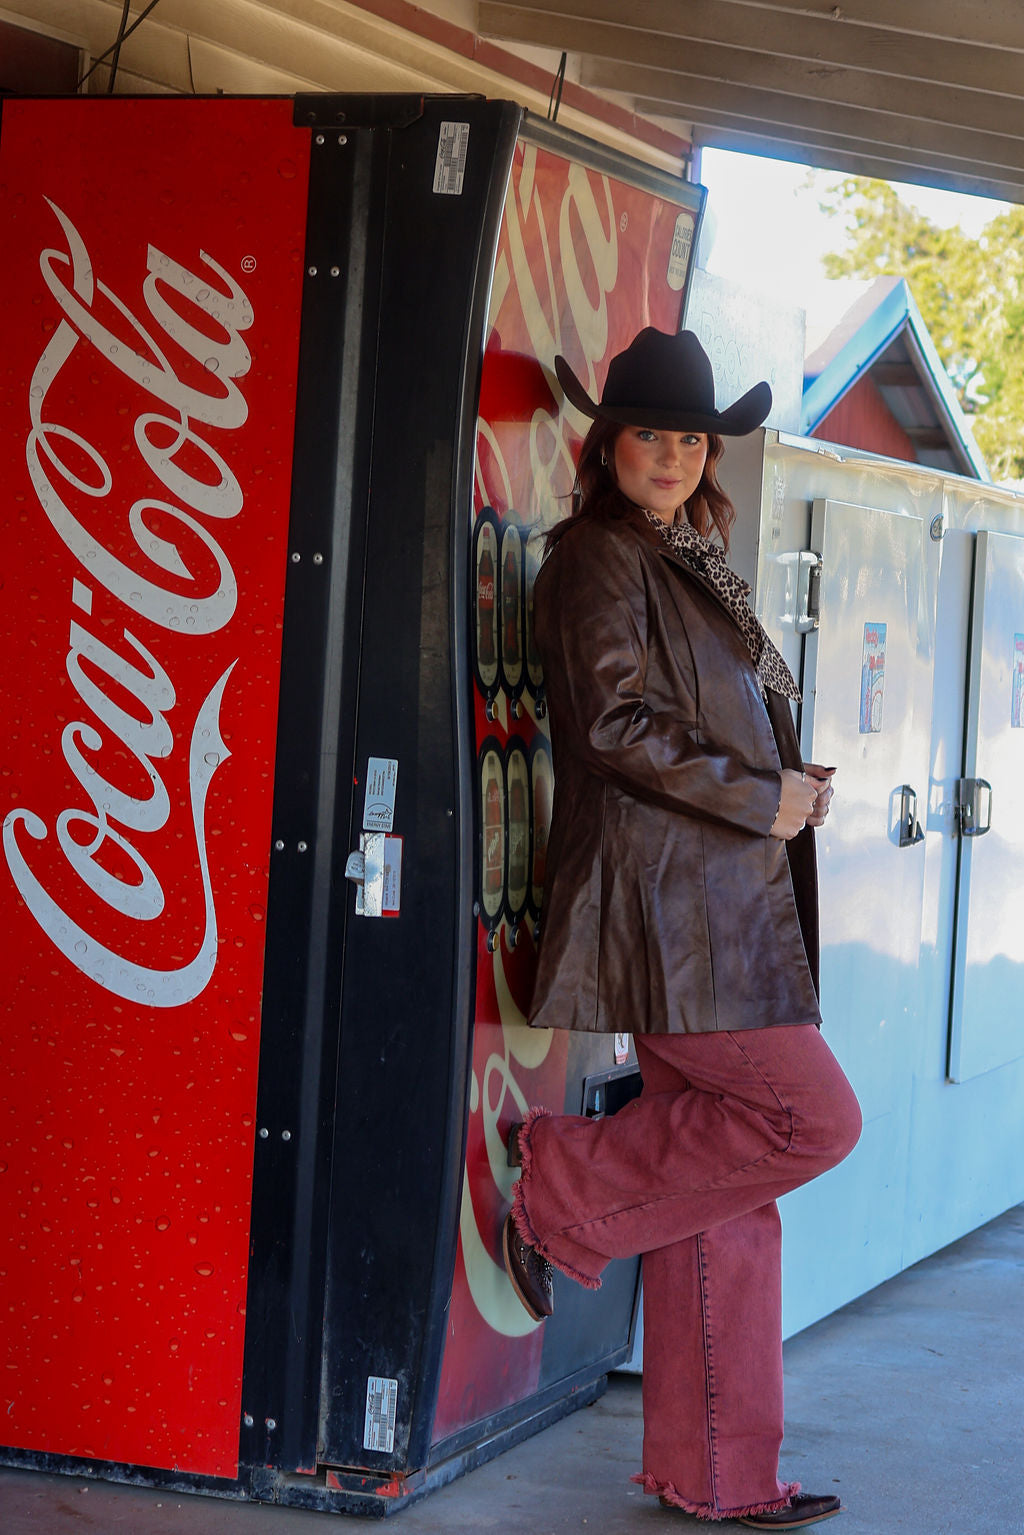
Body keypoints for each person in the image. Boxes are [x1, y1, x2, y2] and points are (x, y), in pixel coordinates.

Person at [501, 328, 862, 1530]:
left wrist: (778, 773)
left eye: (689, 435)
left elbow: (697, 717)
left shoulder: (689, 554)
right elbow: (609, 724)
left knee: (726, 1194)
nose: (670, 451)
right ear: (607, 444)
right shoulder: (596, 555)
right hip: (671, 915)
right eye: (648, 432)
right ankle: (557, 1183)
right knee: (809, 1118)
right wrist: (761, 794)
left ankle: (717, 1473)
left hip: (721, 903)